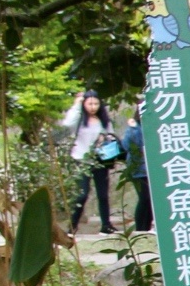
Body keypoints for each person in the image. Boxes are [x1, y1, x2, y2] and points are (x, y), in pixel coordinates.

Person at [60, 90, 120, 235]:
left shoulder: (103, 120)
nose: (93, 107)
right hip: (81, 159)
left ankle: (106, 225)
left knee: (103, 194)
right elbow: (67, 124)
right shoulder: (79, 120)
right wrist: (77, 105)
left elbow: (111, 136)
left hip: (100, 160)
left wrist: (105, 142)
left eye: (96, 103)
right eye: (90, 103)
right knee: (82, 194)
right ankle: (72, 225)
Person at [122, 109, 151, 232]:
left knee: (150, 201)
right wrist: (134, 129)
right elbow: (128, 146)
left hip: (150, 169)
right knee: (144, 198)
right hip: (138, 169)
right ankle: (140, 229)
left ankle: (146, 228)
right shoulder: (134, 128)